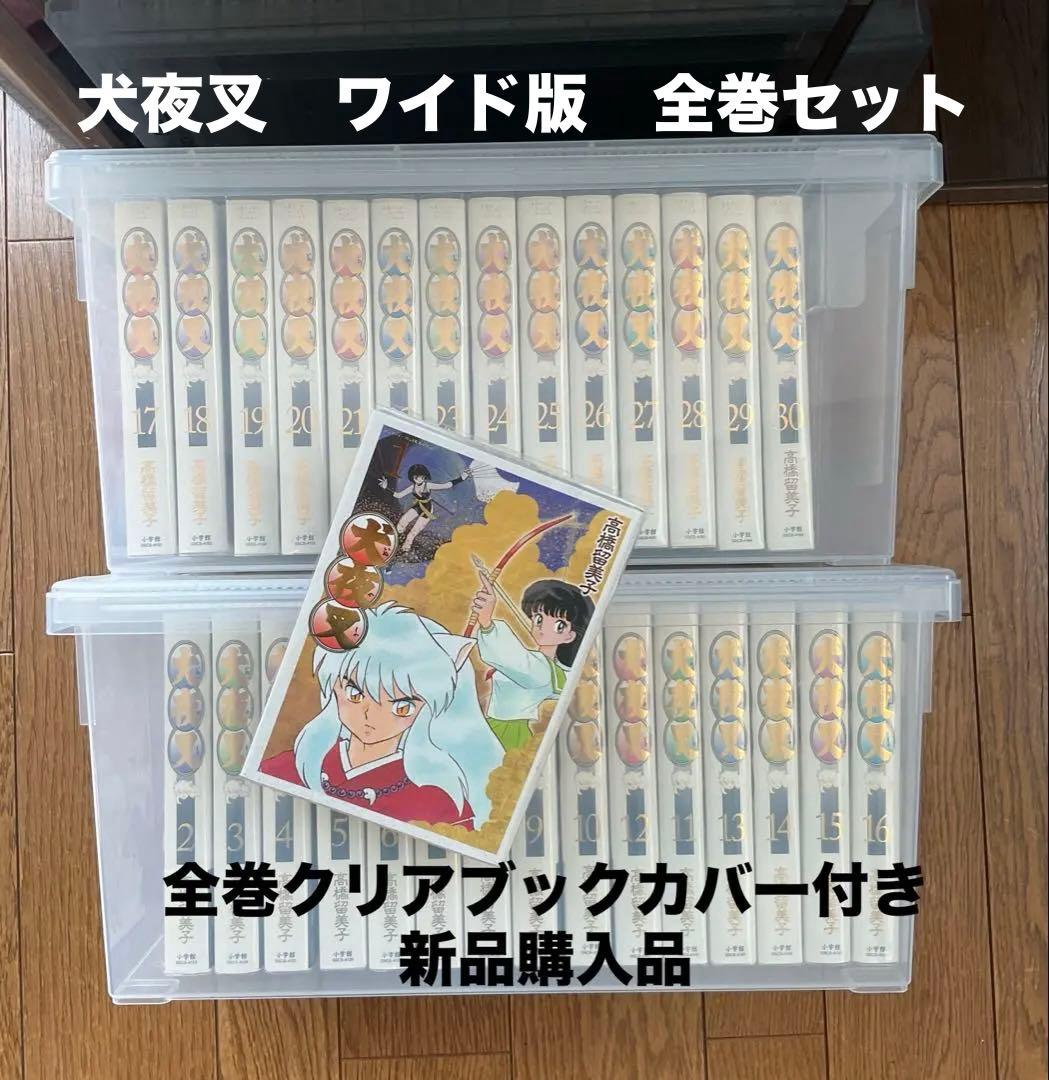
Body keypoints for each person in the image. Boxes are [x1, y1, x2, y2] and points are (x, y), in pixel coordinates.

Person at [260, 602, 503, 829]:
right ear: (334, 686)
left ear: (424, 707)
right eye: (355, 693)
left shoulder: (439, 801)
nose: (370, 715)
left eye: (401, 706)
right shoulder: (289, 769)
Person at [469, 575, 594, 751]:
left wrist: (487, 623)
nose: (542, 627)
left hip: (507, 733)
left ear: (570, 636)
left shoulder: (541, 670)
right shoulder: (543, 665)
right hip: (496, 727)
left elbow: (515, 660)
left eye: (559, 625)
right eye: (538, 619)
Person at [378, 462, 470, 552]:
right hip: (418, 506)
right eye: (416, 477)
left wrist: (462, 478)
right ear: (413, 477)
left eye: (421, 477)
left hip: (427, 510)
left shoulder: (428, 485)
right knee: (402, 523)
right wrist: (386, 487)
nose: (419, 479)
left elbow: (446, 485)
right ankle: (393, 540)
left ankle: (405, 548)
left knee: (413, 532)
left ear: (424, 477)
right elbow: (399, 495)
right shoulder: (412, 487)